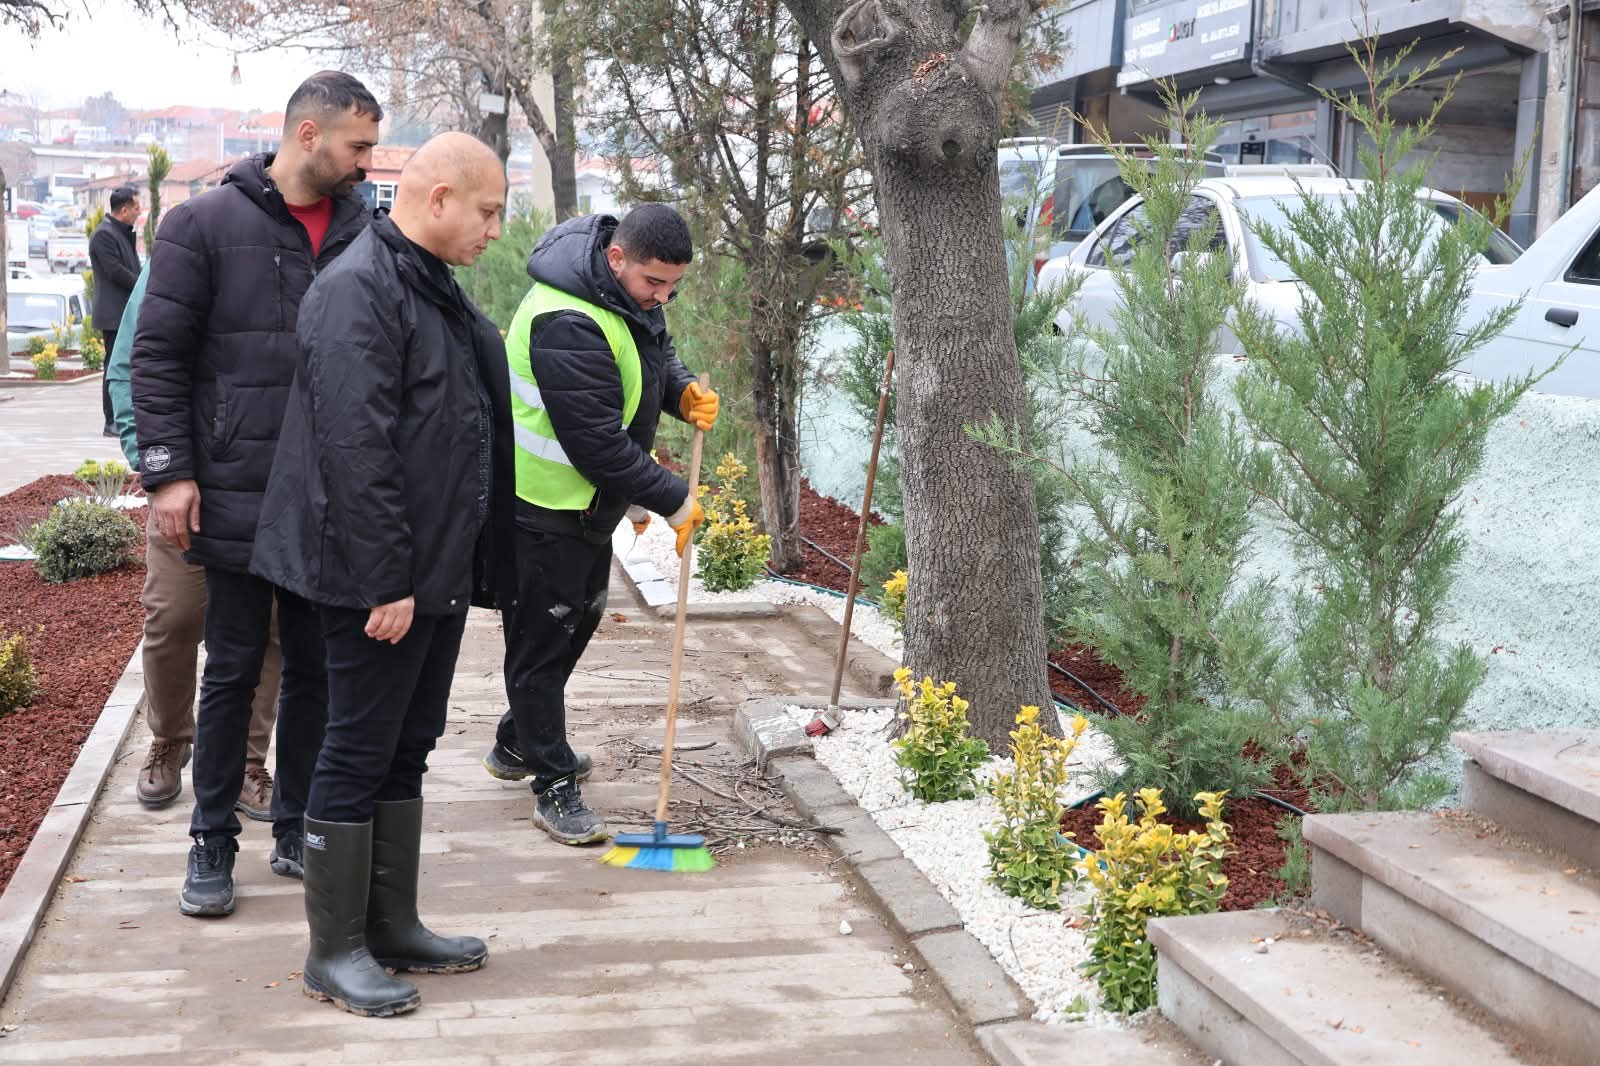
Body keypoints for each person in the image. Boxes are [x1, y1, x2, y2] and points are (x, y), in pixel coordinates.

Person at [251, 132, 514, 1018]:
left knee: (408, 744)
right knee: (356, 747)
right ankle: (336, 950)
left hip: (431, 567)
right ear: (437, 197)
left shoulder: (425, 281)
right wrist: (385, 580)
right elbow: (355, 448)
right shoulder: (361, 288)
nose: (495, 232)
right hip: (377, 577)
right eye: (487, 212)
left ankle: (391, 923)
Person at [132, 71, 381, 918]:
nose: (367, 164)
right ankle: (210, 844)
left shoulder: (368, 235)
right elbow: (157, 357)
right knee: (231, 668)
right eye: (358, 146)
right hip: (238, 489)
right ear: (308, 136)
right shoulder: (201, 225)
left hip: (329, 501)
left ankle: (292, 827)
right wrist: (170, 471)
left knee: (314, 671)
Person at [481, 203, 718, 844]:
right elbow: (596, 445)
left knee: (575, 622)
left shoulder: (622, 290)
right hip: (541, 505)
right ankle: (551, 781)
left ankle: (517, 742)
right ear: (618, 259)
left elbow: (653, 349)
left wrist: (682, 389)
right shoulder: (566, 317)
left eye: (672, 288)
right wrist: (673, 498)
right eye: (653, 285)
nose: (661, 298)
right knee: (541, 639)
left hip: (585, 506)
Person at [106, 266, 282, 818]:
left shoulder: (293, 255)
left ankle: (249, 759)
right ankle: (170, 738)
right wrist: (155, 468)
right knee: (173, 617)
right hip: (187, 484)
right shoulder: (185, 253)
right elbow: (129, 368)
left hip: (267, 489)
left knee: (271, 626)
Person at [89, 185, 141, 436]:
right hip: (113, 314)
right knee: (114, 367)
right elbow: (115, 272)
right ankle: (111, 421)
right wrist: (144, 285)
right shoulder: (104, 235)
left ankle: (123, 418)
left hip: (125, 312)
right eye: (136, 208)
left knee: (126, 366)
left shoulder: (123, 232)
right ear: (124, 210)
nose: (138, 213)